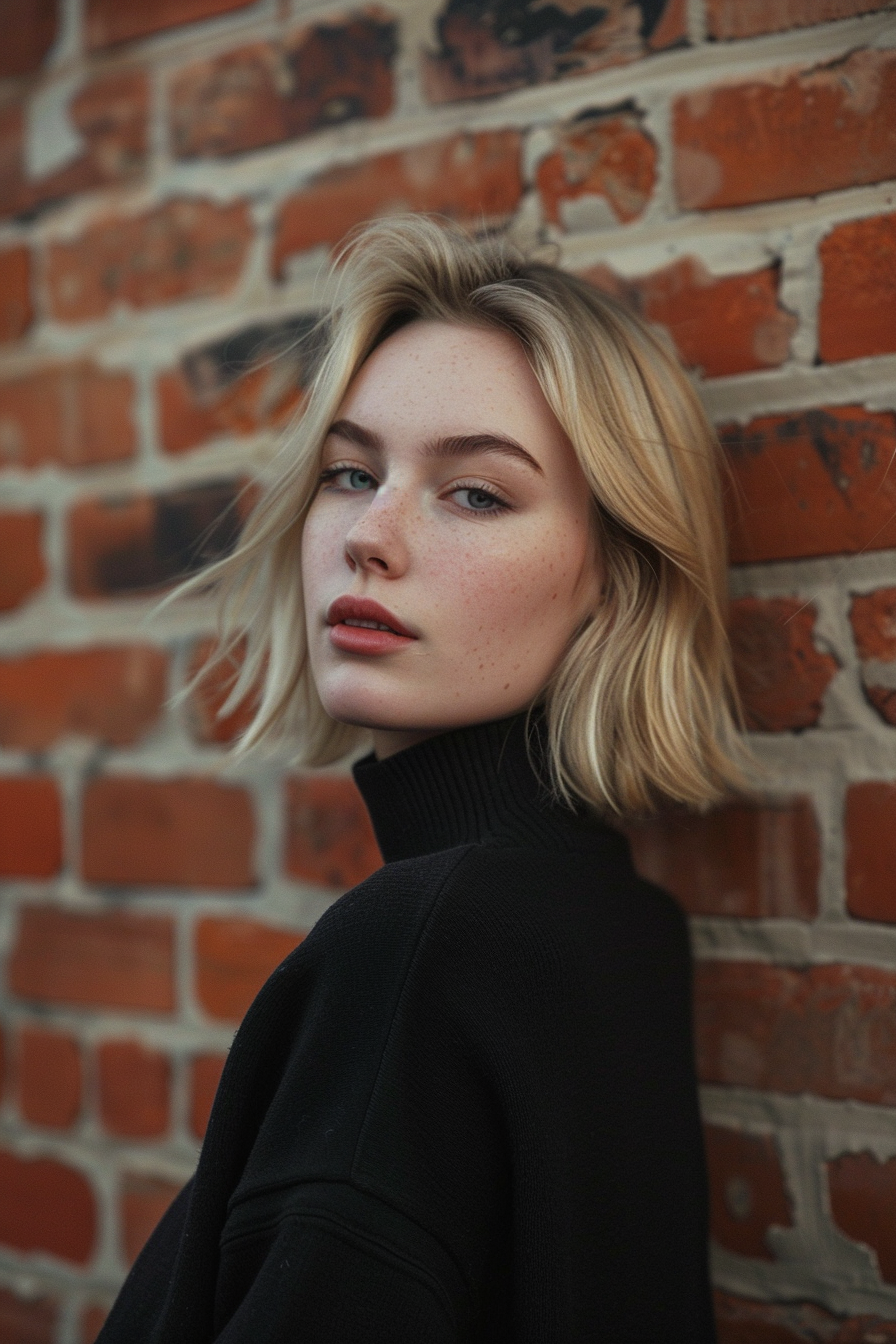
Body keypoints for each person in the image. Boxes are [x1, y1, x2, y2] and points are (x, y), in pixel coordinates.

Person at [98, 215, 749, 1343]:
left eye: (475, 493)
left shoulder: (418, 947)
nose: (369, 535)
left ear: (612, 575)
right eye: (350, 473)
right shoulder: (609, 917)